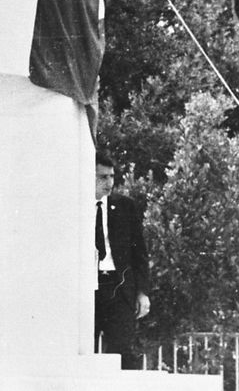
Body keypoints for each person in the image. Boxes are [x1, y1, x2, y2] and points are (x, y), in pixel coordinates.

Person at [94, 150, 150, 370]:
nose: (109, 183)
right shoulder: (75, 208)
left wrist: (142, 292)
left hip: (119, 289)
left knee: (121, 354)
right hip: (89, 289)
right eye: (102, 177)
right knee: (82, 351)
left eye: (112, 177)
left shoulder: (125, 207)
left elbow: (140, 253)